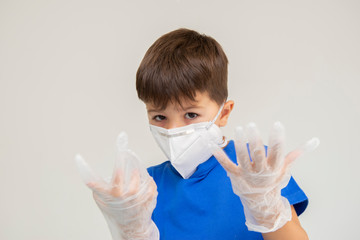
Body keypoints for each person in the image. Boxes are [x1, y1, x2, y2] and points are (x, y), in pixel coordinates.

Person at [76, 28, 319, 240]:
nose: (173, 130)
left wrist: (267, 204)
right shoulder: (145, 189)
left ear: (224, 113)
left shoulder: (256, 170)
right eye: (159, 117)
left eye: (191, 115)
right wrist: (128, 231)